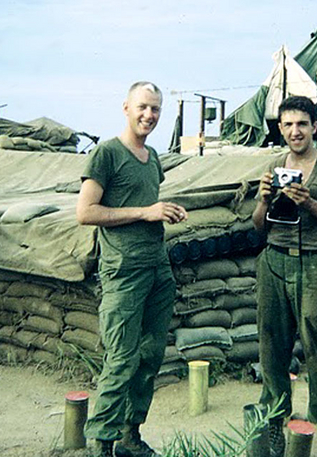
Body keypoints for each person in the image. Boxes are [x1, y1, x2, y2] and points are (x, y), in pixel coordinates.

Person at [76, 82, 188, 457]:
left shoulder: (152, 156)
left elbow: (144, 203)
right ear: (126, 107)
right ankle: (102, 443)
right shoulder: (107, 153)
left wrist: (164, 210)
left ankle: (130, 434)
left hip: (157, 267)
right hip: (124, 272)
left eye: (155, 109)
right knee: (121, 358)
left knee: (151, 355)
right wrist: (146, 212)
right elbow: (86, 212)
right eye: (143, 107)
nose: (149, 116)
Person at [252, 95, 317, 457]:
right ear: (280, 129)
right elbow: (257, 226)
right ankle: (275, 423)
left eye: (302, 124)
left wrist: (310, 202)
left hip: (315, 264)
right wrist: (264, 200)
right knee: (272, 348)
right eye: (288, 125)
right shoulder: (274, 164)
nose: (295, 131)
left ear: (316, 126)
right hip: (274, 263)